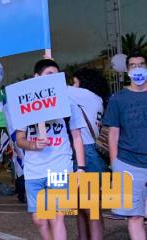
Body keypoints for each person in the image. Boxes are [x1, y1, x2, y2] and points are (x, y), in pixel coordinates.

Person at [15, 59, 86, 240]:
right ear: (36, 77)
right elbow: (20, 139)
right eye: (49, 74)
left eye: (56, 76)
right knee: (39, 219)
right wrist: (33, 145)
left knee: (56, 216)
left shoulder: (68, 104)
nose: (53, 78)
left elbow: (77, 137)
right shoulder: (24, 106)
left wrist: (81, 168)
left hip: (60, 167)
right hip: (33, 171)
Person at [104, 52, 147, 240]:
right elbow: (113, 133)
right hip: (128, 164)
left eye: (141, 64)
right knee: (135, 216)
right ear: (127, 70)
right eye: (133, 65)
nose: (138, 69)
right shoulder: (118, 99)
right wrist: (115, 164)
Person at [70, 68, 110, 240]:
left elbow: (54, 88)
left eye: (75, 82)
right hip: (92, 153)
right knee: (82, 206)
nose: (73, 86)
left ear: (83, 83)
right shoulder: (97, 99)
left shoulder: (84, 95)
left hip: (86, 153)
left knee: (89, 207)